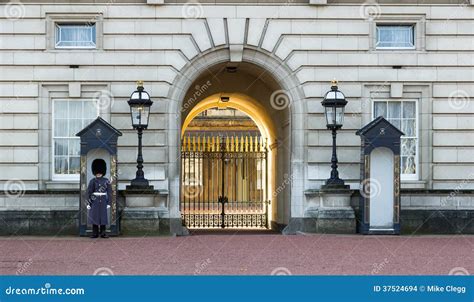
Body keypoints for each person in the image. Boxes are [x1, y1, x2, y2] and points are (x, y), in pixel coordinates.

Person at [86, 159, 112, 238]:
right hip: (95, 201)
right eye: (97, 172)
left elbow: (110, 192)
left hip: (103, 200)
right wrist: (88, 203)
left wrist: (109, 202)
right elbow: (89, 192)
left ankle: (103, 232)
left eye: (99, 172)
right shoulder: (92, 181)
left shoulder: (106, 181)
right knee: (95, 217)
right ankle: (95, 233)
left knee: (103, 217)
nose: (98, 174)